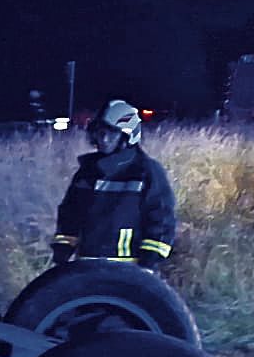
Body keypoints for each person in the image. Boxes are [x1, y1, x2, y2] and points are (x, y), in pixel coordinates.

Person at [49, 99, 176, 270]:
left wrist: (148, 263)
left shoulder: (146, 172)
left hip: (129, 270)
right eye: (100, 133)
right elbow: (70, 215)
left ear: (127, 137)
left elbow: (161, 219)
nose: (104, 139)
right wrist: (61, 254)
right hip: (86, 266)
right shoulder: (87, 172)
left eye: (111, 133)